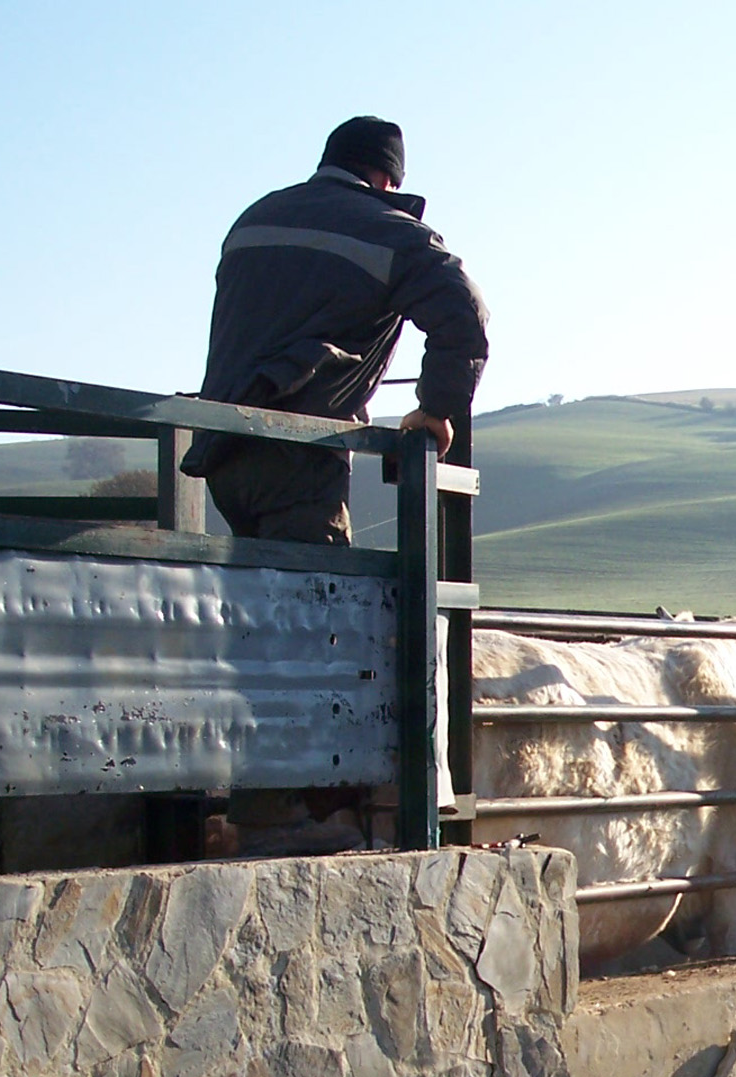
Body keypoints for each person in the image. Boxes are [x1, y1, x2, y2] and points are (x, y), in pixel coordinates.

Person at [183, 115, 490, 854]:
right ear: (386, 178)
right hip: (301, 450)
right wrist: (437, 410)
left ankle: (262, 799)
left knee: (259, 627)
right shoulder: (390, 231)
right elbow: (466, 317)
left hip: (224, 450)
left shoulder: (255, 218)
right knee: (318, 625)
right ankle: (293, 815)